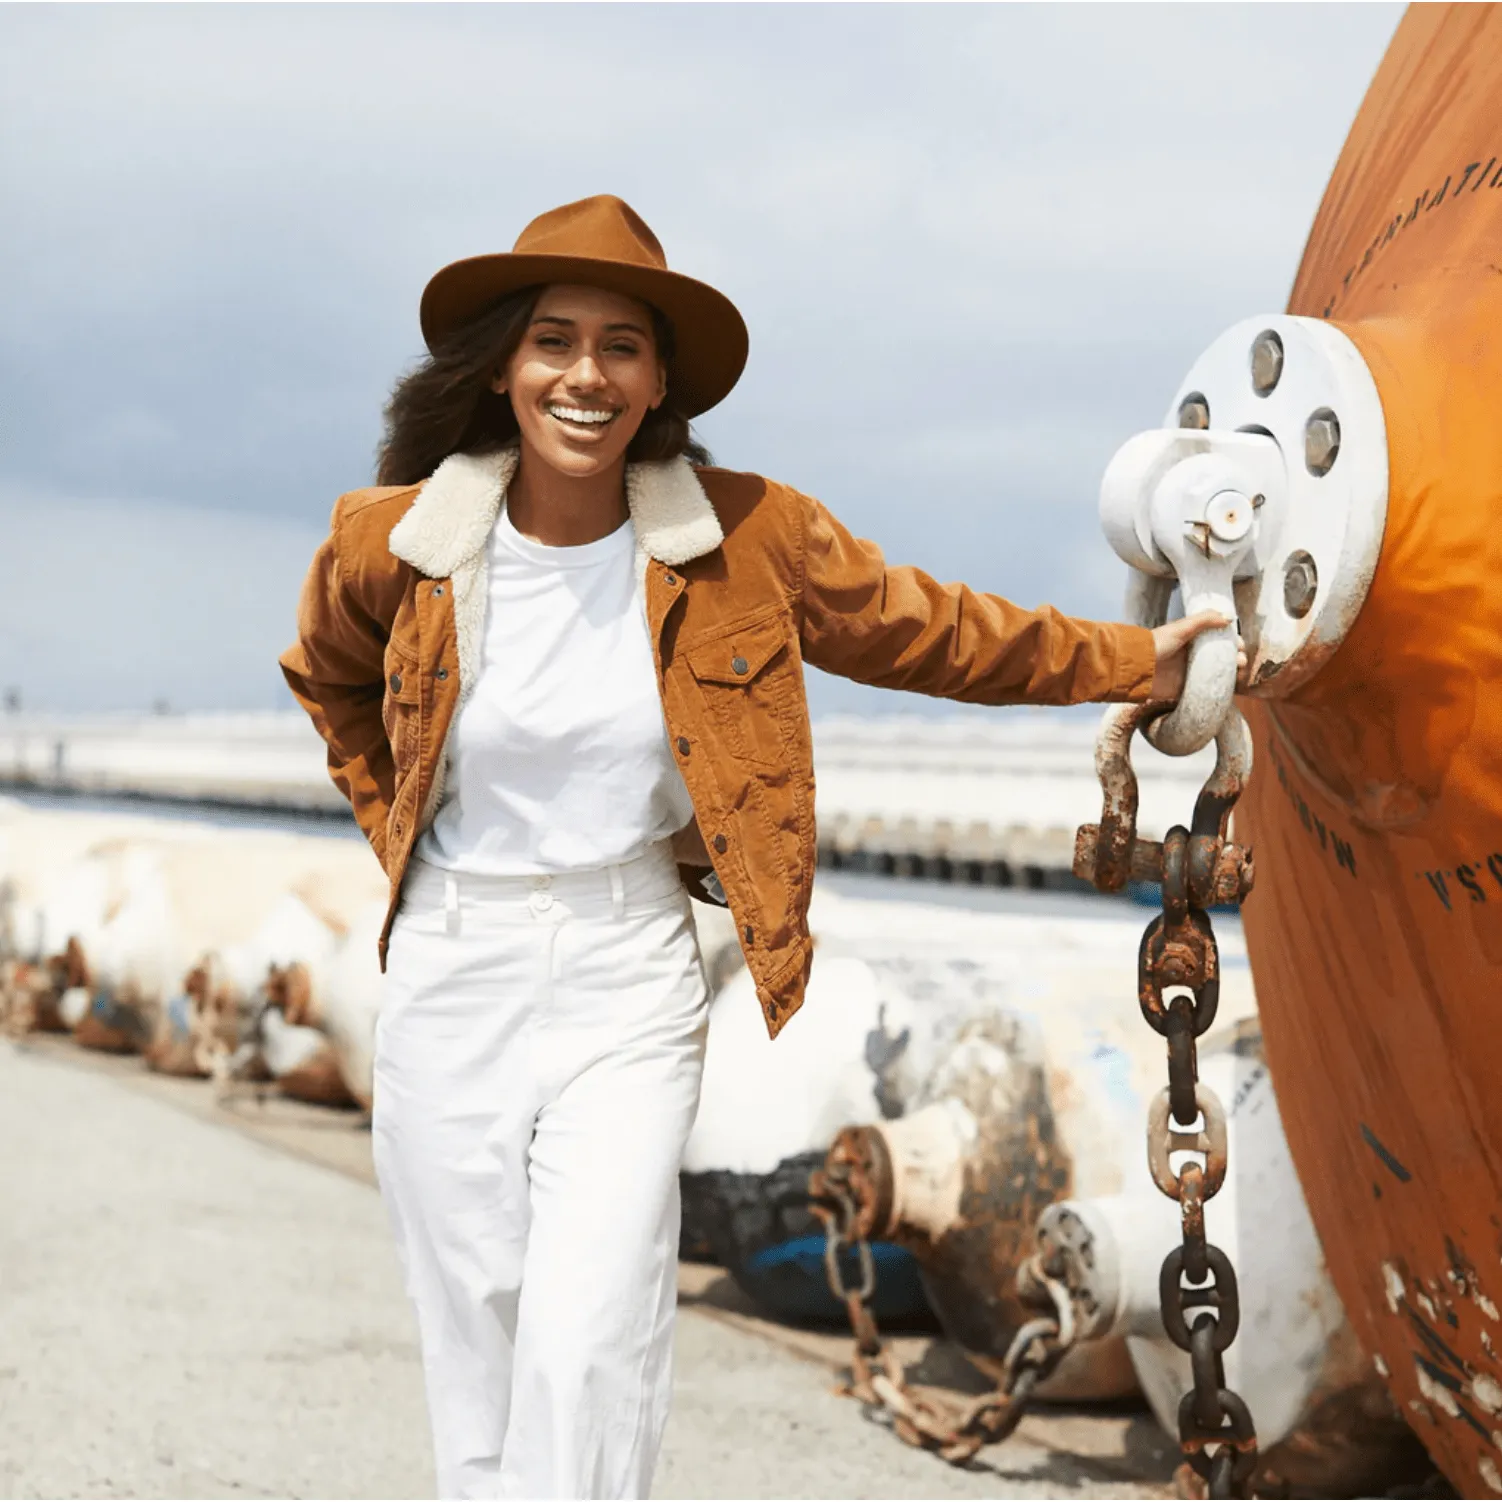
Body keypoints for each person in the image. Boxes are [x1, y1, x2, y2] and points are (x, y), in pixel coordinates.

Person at [279, 194, 1230, 1501]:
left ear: (660, 378)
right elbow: (327, 680)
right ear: (502, 365)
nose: (584, 375)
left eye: (622, 344)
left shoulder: (745, 535)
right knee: (479, 1328)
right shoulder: (389, 543)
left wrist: (1128, 656)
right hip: (451, 960)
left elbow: (930, 629)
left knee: (590, 1328)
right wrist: (400, 826)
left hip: (626, 966)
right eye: (553, 339)